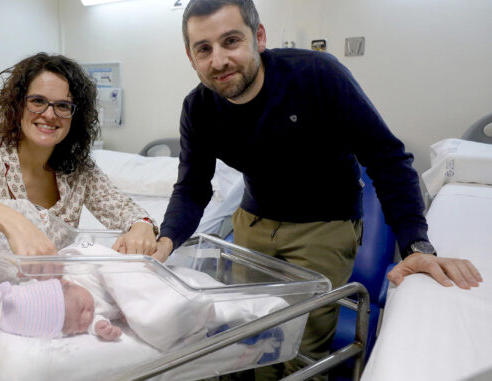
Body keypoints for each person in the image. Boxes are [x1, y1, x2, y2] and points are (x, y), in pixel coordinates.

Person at [151, 0, 483, 379]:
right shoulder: (199, 108)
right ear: (191, 58)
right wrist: (167, 240)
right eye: (204, 49)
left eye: (231, 41)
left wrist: (416, 245)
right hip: (252, 223)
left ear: (258, 37)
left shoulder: (315, 76)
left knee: (294, 353)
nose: (219, 60)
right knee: (243, 338)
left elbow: (387, 157)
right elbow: (193, 187)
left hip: (324, 223)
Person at [0, 53, 157, 256]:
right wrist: (11, 221)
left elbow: (124, 208)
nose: (49, 114)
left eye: (63, 106)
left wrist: (142, 225)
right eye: (37, 101)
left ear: (74, 116)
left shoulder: (78, 170)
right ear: (17, 105)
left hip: (53, 291)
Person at [0, 278, 122, 341]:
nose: (87, 317)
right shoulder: (82, 311)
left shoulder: (81, 275)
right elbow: (93, 320)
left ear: (67, 283)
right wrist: (99, 327)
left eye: (81, 308)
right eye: (78, 327)